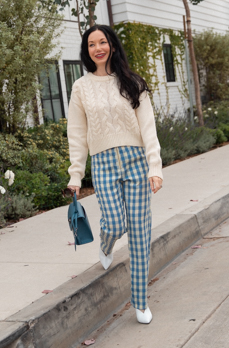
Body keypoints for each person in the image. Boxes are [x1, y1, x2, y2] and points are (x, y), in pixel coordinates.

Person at [66, 24, 163, 325]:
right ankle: (106, 244)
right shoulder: (81, 87)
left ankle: (140, 301)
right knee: (115, 222)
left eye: (103, 42)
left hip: (135, 162)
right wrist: (76, 175)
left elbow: (148, 127)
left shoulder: (133, 82)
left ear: (112, 45)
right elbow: (77, 134)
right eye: (92, 44)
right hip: (104, 163)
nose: (98, 48)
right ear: (87, 51)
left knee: (140, 232)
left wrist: (155, 167)